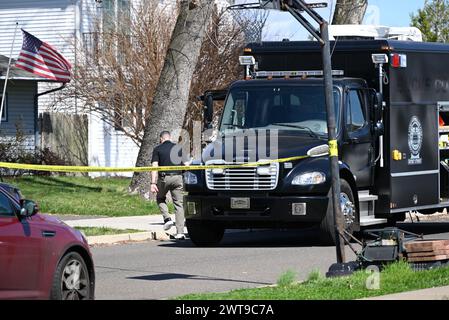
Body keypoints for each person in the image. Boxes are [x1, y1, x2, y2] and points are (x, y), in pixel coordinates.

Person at [150, 131, 187, 240]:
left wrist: (153, 183)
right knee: (179, 205)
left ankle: (167, 219)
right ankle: (180, 233)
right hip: (178, 178)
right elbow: (187, 164)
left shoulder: (157, 149)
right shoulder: (178, 148)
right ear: (169, 138)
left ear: (161, 139)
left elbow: (154, 166)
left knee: (160, 198)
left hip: (164, 178)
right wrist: (183, 173)